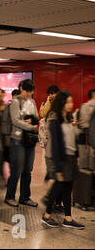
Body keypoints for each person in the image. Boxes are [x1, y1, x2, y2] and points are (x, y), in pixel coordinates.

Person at [41, 90, 85, 229]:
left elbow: (72, 138)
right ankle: (46, 216)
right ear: (61, 103)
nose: (70, 105)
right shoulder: (54, 118)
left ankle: (68, 218)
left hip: (70, 158)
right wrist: (58, 166)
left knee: (67, 188)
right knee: (57, 188)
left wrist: (76, 156)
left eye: (71, 102)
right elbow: (55, 144)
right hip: (61, 159)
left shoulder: (68, 117)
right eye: (67, 102)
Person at [4, 79, 40, 207]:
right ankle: (9, 196)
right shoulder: (15, 102)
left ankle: (25, 197)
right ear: (21, 89)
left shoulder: (32, 101)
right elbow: (15, 121)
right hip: (17, 139)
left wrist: (31, 121)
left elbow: (36, 117)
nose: (28, 94)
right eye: (26, 91)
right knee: (16, 169)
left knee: (27, 170)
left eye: (31, 92)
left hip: (29, 140)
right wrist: (29, 124)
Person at [76, 89, 95, 170]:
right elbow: (84, 125)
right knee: (85, 165)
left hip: (89, 139)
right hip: (86, 140)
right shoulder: (86, 107)